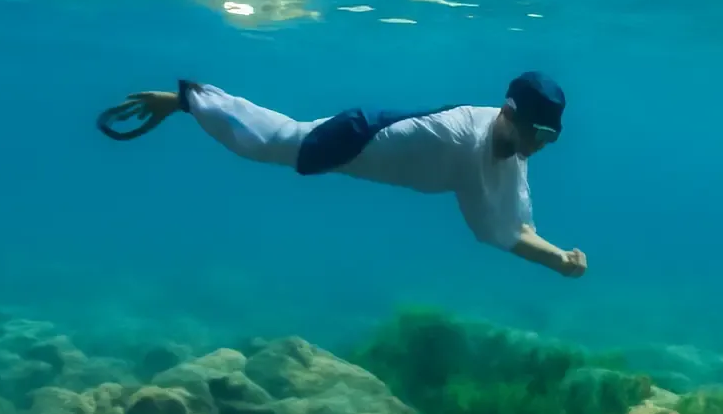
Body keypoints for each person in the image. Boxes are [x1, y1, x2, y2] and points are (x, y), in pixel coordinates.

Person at [95, 71, 587, 278]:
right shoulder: (469, 146)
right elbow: (496, 231)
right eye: (538, 132)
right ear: (509, 114)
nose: (541, 145)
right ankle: (184, 99)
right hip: (351, 138)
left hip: (370, 127)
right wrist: (558, 261)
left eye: (552, 136)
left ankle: (187, 101)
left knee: (275, 139)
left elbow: (516, 218)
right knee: (273, 143)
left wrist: (559, 254)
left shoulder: (509, 143)